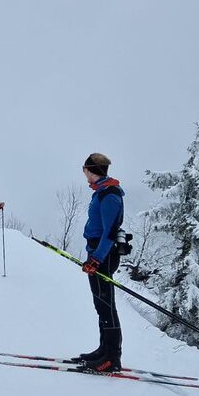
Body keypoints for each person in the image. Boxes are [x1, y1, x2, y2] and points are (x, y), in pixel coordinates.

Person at [74, 153, 124, 373]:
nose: (83, 173)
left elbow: (110, 232)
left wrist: (96, 259)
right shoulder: (101, 192)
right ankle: (103, 350)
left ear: (91, 169)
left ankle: (112, 357)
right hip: (96, 251)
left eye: (84, 169)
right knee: (100, 304)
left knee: (106, 306)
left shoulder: (110, 196)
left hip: (103, 254)